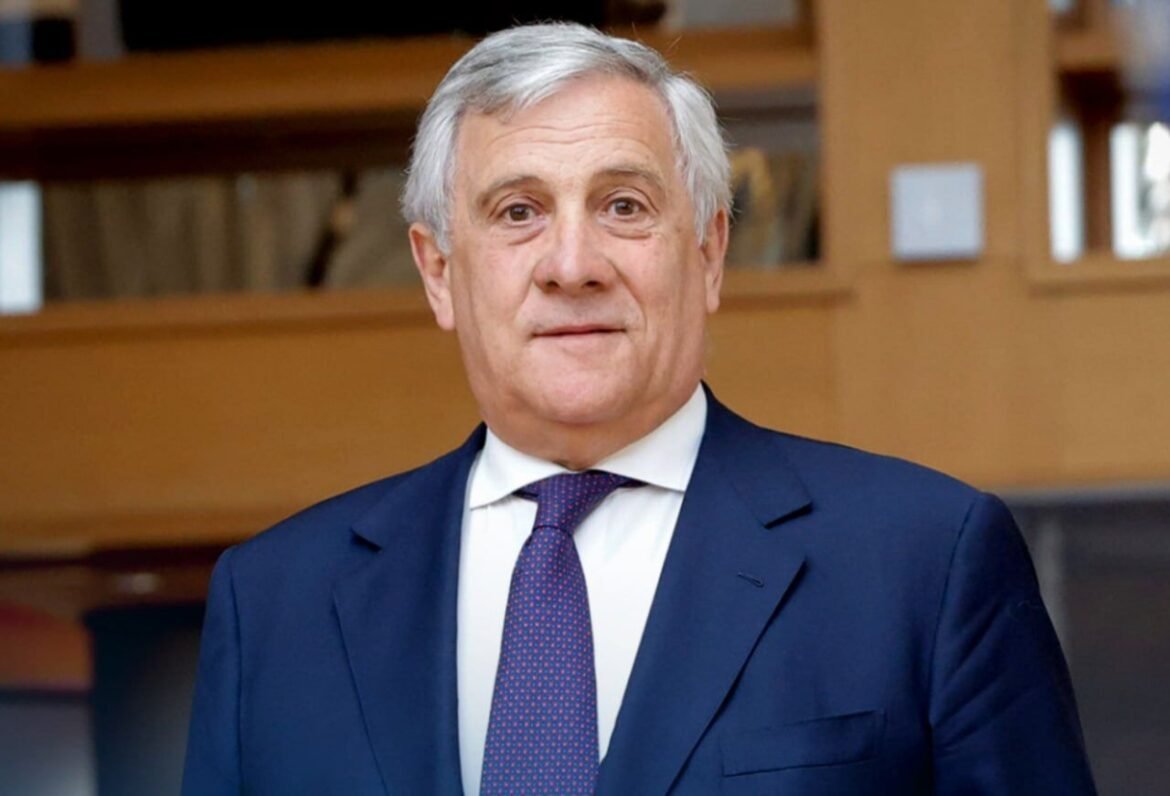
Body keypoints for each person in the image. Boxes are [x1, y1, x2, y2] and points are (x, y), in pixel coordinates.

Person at [182, 22, 1097, 796]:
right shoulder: (274, 605)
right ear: (437, 271)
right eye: (517, 213)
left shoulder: (924, 563)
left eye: (623, 206)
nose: (571, 264)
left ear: (708, 252)